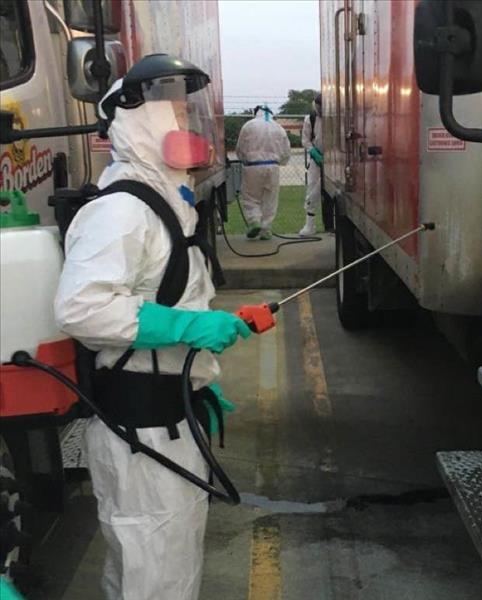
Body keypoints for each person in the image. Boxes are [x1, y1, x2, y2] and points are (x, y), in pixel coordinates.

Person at [54, 54, 251, 600]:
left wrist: (196, 371)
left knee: (158, 566)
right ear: (139, 122)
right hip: (140, 427)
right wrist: (186, 326)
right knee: (155, 572)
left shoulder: (165, 203)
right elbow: (82, 308)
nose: (189, 131)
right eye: (177, 120)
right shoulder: (122, 211)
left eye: (191, 119)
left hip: (165, 417)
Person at [235, 105, 291, 240]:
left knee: (251, 197)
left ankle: (254, 221)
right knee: (270, 199)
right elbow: (286, 151)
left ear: (256, 113)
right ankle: (266, 228)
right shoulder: (278, 128)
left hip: (253, 166)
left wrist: (243, 159)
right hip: (273, 167)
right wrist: (280, 162)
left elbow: (240, 148)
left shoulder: (248, 126)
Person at [299, 94, 323, 236]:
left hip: (334, 160)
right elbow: (305, 140)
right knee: (312, 190)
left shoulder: (337, 118)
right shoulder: (311, 119)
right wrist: (313, 152)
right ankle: (309, 225)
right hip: (317, 159)